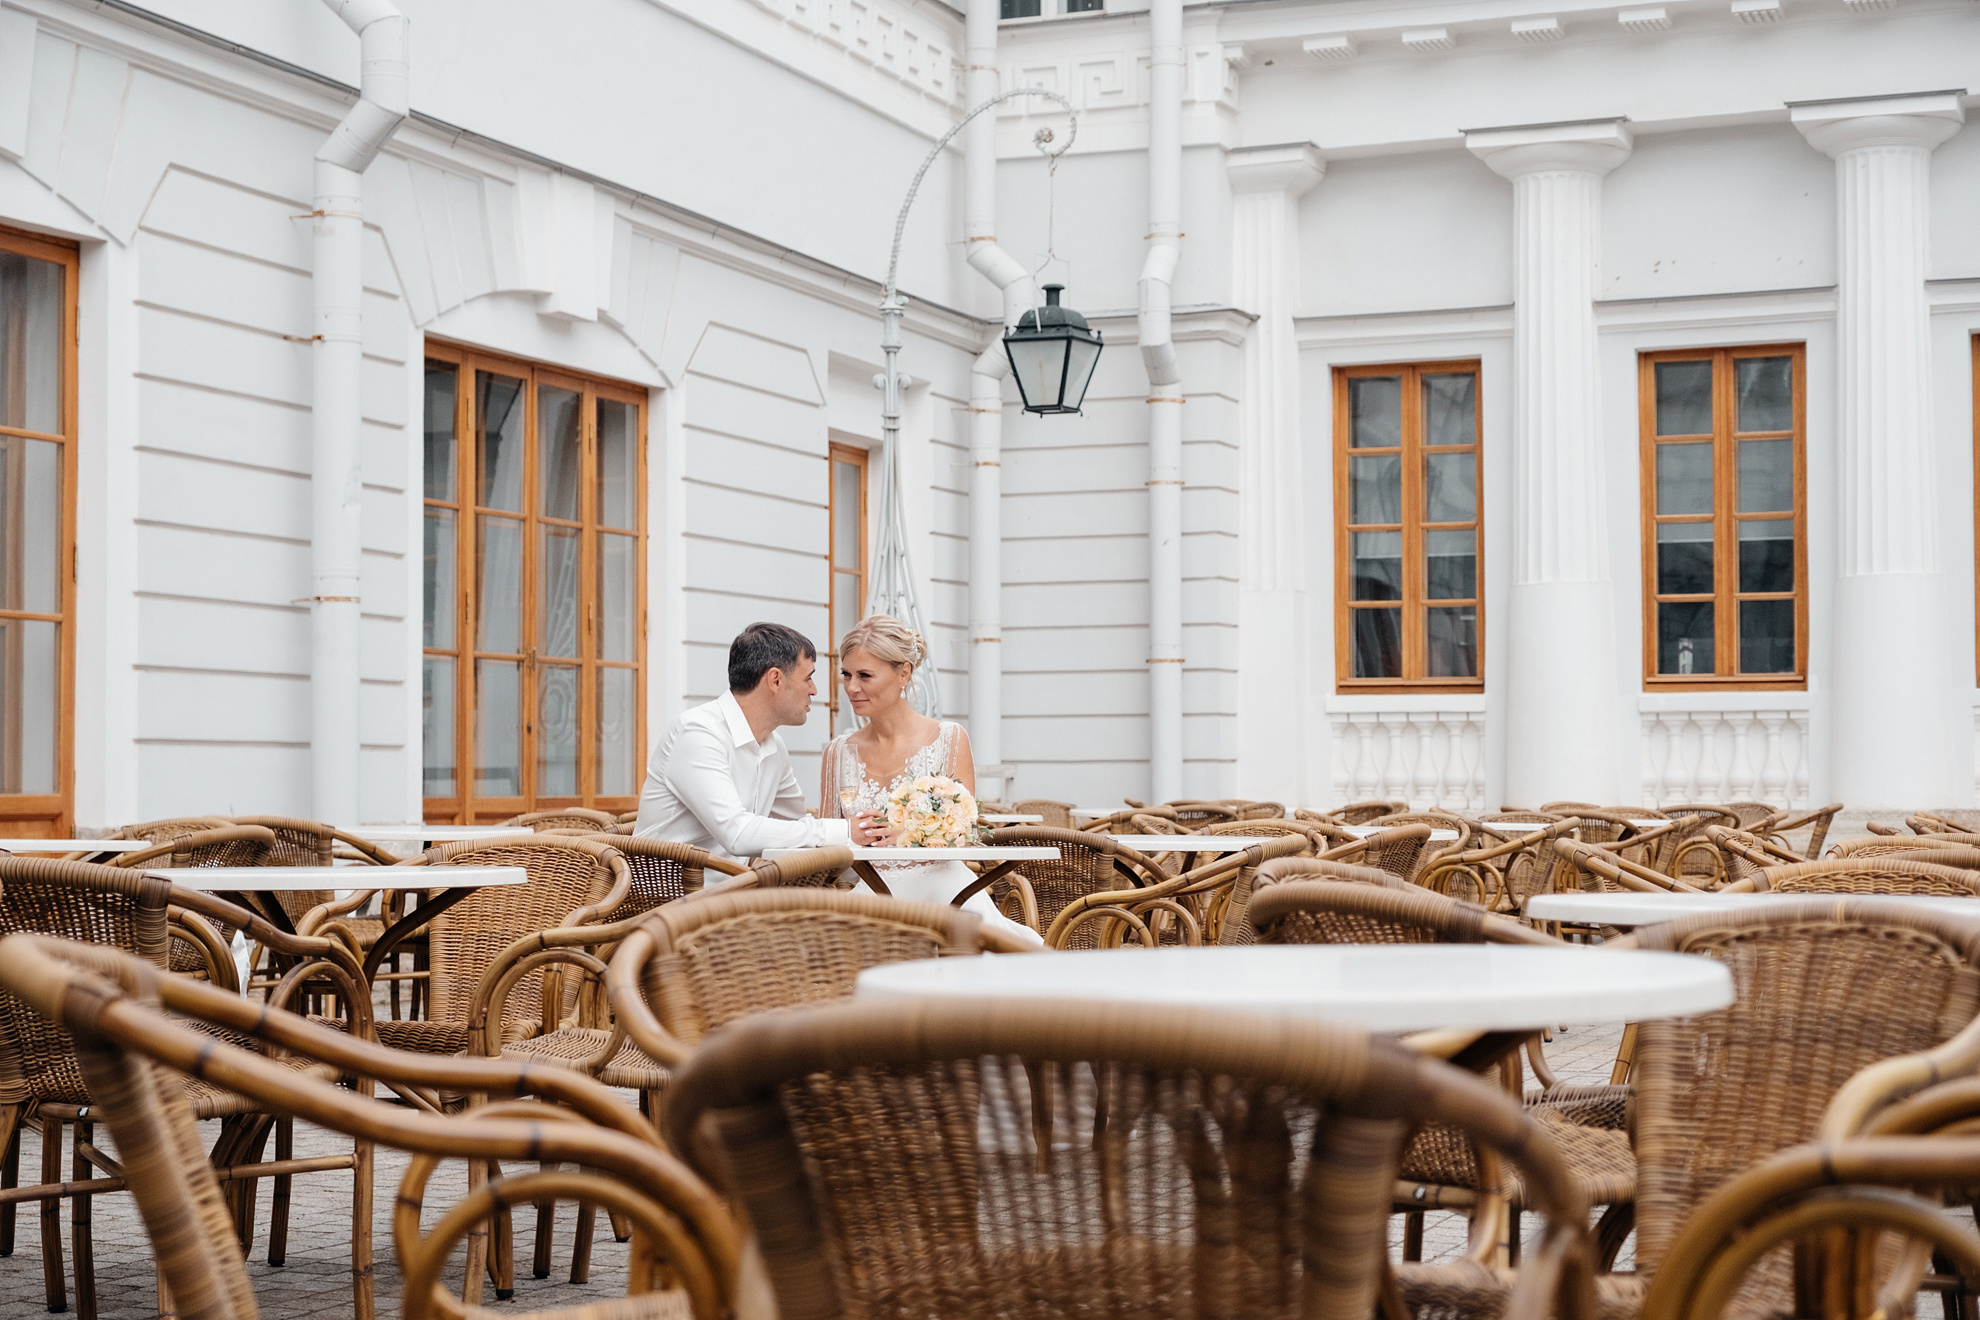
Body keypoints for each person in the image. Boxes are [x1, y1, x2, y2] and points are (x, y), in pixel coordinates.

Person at [821, 614, 1044, 948]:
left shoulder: (948, 738)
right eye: (846, 675)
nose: (852, 687)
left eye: (864, 675)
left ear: (904, 673)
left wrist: (909, 836)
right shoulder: (838, 751)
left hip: (945, 890)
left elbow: (967, 832)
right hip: (871, 895)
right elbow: (826, 844)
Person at [633, 622, 849, 863]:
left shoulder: (774, 746)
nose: (814, 690)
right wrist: (844, 831)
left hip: (737, 894)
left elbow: (795, 826)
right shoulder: (698, 734)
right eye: (808, 678)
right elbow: (737, 833)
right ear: (775, 680)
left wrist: (858, 832)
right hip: (665, 898)